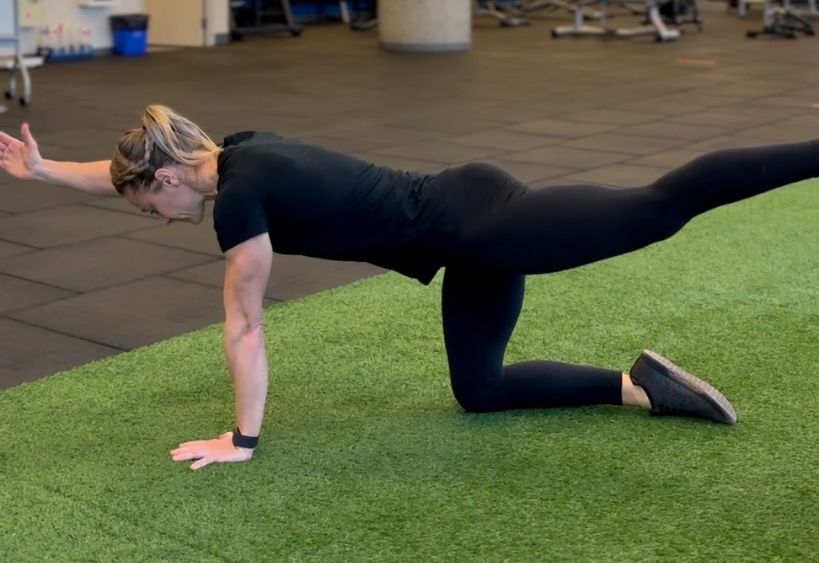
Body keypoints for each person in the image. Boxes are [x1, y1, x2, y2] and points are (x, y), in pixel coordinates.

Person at [1, 105, 814, 469]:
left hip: (487, 222)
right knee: (481, 390)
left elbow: (243, 325)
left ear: (176, 175)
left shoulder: (240, 200)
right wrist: (43, 170)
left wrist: (240, 440)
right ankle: (637, 385)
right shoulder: (234, 154)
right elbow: (129, 178)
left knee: (657, 207)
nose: (161, 220)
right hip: (461, 235)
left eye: (155, 207)